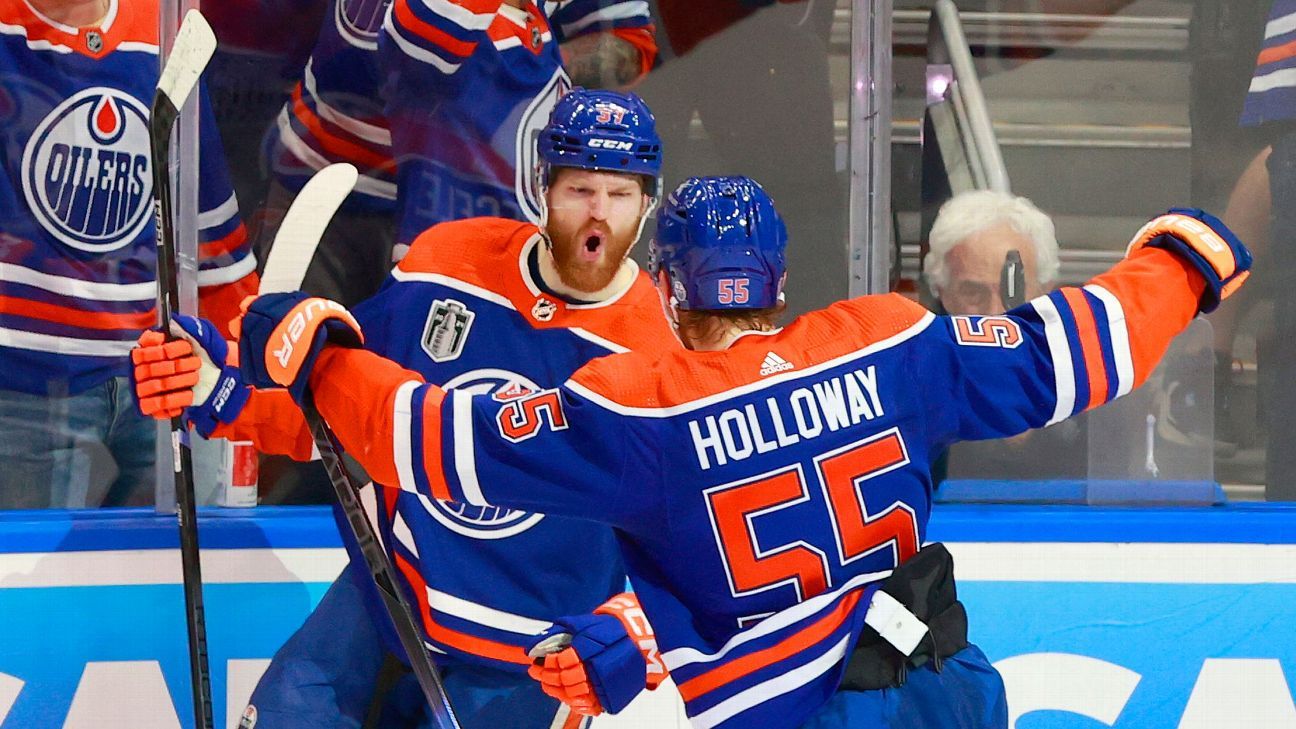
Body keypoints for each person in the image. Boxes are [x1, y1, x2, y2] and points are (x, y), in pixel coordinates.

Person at [218, 175, 1248, 728]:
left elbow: (437, 444)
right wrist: (1182, 263)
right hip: (921, 697)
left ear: (666, 290)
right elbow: (1074, 349)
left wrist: (315, 354)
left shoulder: (639, 411)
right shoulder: (890, 342)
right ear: (778, 283)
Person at [133, 90, 675, 728]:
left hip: (526, 653)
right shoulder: (450, 264)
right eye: (581, 190)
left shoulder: (660, 361)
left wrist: (632, 631)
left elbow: (696, 545)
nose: (599, 217)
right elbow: (335, 413)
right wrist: (214, 387)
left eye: (620, 196)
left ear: (648, 204)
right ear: (542, 186)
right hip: (391, 596)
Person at [0, 0, 257, 509]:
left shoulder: (160, 27)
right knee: (32, 588)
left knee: (173, 580)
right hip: (22, 393)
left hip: (160, 378)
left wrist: (243, 381)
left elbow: (207, 223)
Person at [921, 190, 1086, 483]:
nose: (996, 314)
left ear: (1045, 291)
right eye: (973, 292)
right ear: (942, 293)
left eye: (1014, 292)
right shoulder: (910, 391)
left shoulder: (1092, 381)